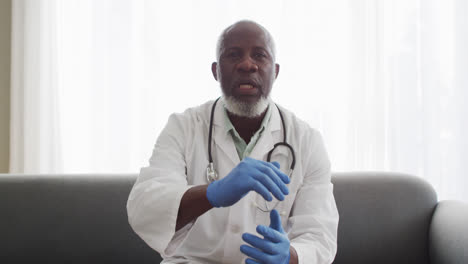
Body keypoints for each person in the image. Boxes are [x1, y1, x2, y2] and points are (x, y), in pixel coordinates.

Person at [127, 20, 339, 264]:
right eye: (233, 54)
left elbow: (320, 237)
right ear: (216, 71)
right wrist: (212, 194)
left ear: (276, 71)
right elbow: (145, 208)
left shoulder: (307, 140)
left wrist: (288, 256)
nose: (247, 64)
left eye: (260, 55)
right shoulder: (183, 127)